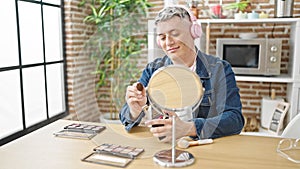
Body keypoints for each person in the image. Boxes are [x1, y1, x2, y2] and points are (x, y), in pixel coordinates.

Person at [119, 5, 244, 142]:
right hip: (162, 148)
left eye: (175, 34)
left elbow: (234, 119)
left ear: (193, 32)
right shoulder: (153, 70)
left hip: (203, 149)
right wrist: (134, 110)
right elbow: (127, 119)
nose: (168, 42)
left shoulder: (219, 69)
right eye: (162, 37)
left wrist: (190, 128)